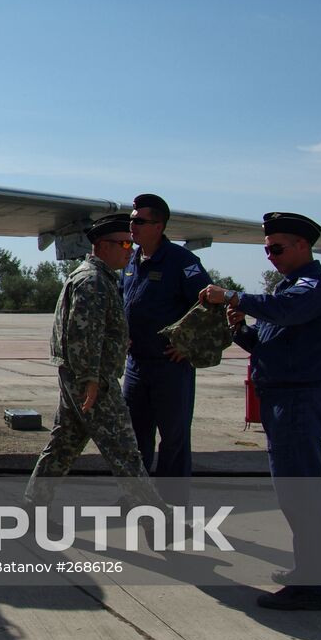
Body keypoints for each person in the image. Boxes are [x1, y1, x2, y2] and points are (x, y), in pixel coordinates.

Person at [200, 212, 321, 611]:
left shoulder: (314, 288)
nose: (270, 256)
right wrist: (240, 329)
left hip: (298, 402)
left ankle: (311, 587)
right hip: (282, 402)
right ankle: (308, 572)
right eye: (266, 250)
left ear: (302, 246)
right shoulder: (288, 289)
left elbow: (284, 312)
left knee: (301, 496)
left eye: (277, 248)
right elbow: (270, 345)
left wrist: (232, 296)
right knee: (293, 496)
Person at [26, 214, 165, 510]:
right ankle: (158, 520)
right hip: (92, 380)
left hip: (81, 376)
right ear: (103, 246)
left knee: (63, 445)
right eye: (124, 243)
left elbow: (92, 331)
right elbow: (82, 333)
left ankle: (33, 507)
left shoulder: (94, 277)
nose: (130, 249)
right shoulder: (93, 281)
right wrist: (91, 379)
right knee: (124, 449)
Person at [122, 194, 211, 500]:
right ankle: (139, 497)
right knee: (135, 438)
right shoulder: (131, 261)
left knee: (173, 439)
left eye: (139, 221)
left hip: (169, 367)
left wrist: (189, 346)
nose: (132, 226)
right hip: (136, 367)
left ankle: (172, 502)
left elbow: (209, 307)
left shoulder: (182, 262)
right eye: (131, 220)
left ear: (158, 226)